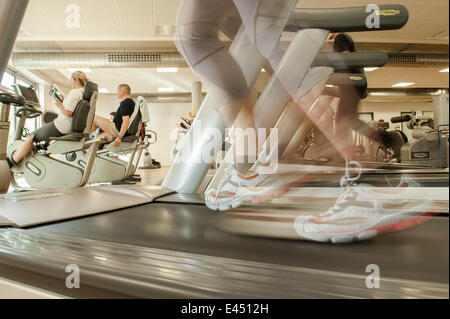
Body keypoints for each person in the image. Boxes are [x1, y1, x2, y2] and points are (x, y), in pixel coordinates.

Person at [8, 71, 87, 166]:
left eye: (71, 80)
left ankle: (11, 162)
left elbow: (68, 112)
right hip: (68, 125)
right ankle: (42, 146)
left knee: (31, 137)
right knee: (42, 135)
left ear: (75, 80)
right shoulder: (83, 93)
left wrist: (60, 105)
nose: (70, 83)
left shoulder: (75, 92)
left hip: (61, 126)